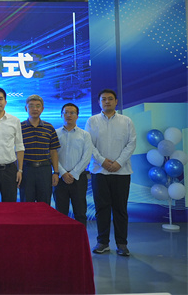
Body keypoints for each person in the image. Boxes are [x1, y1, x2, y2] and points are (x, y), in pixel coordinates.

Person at [85, 89, 136, 257]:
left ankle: (122, 244)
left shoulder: (126, 121)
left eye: (110, 99)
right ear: (99, 102)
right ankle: (102, 242)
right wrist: (103, 161)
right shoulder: (92, 121)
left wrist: (119, 162)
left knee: (120, 209)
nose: (107, 101)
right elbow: (89, 145)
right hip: (99, 171)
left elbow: (131, 143)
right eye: (103, 99)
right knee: (102, 208)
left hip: (122, 172)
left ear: (116, 101)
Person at [54, 103, 93, 227]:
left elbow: (87, 156)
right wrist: (63, 173)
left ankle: (80, 239)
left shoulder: (85, 135)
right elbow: (52, 155)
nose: (69, 115)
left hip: (79, 178)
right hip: (60, 178)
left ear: (77, 116)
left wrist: (74, 173)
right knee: (60, 213)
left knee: (80, 213)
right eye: (66, 112)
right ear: (61, 115)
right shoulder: (55, 134)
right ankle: (62, 238)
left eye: (72, 113)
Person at [19, 94, 60, 203]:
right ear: (26, 108)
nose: (35, 109)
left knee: (44, 204)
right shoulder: (19, 127)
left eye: (38, 106)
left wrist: (56, 172)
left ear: (42, 109)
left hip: (44, 170)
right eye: (31, 106)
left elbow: (53, 151)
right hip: (26, 170)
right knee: (26, 204)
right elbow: (15, 151)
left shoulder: (49, 127)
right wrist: (18, 171)